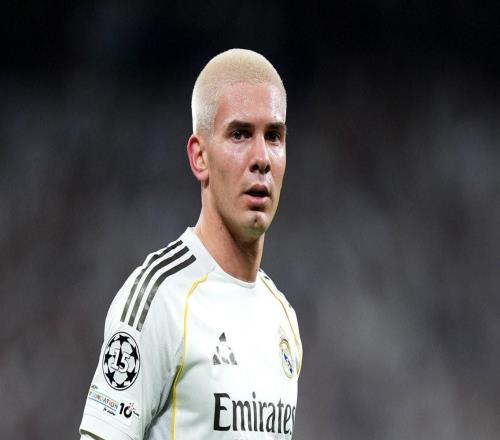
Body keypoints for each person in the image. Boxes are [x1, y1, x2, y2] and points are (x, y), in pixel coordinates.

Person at [79, 48, 302, 440]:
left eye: (274, 136)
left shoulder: (282, 317)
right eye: (239, 134)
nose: (261, 158)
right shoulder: (159, 299)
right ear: (199, 157)